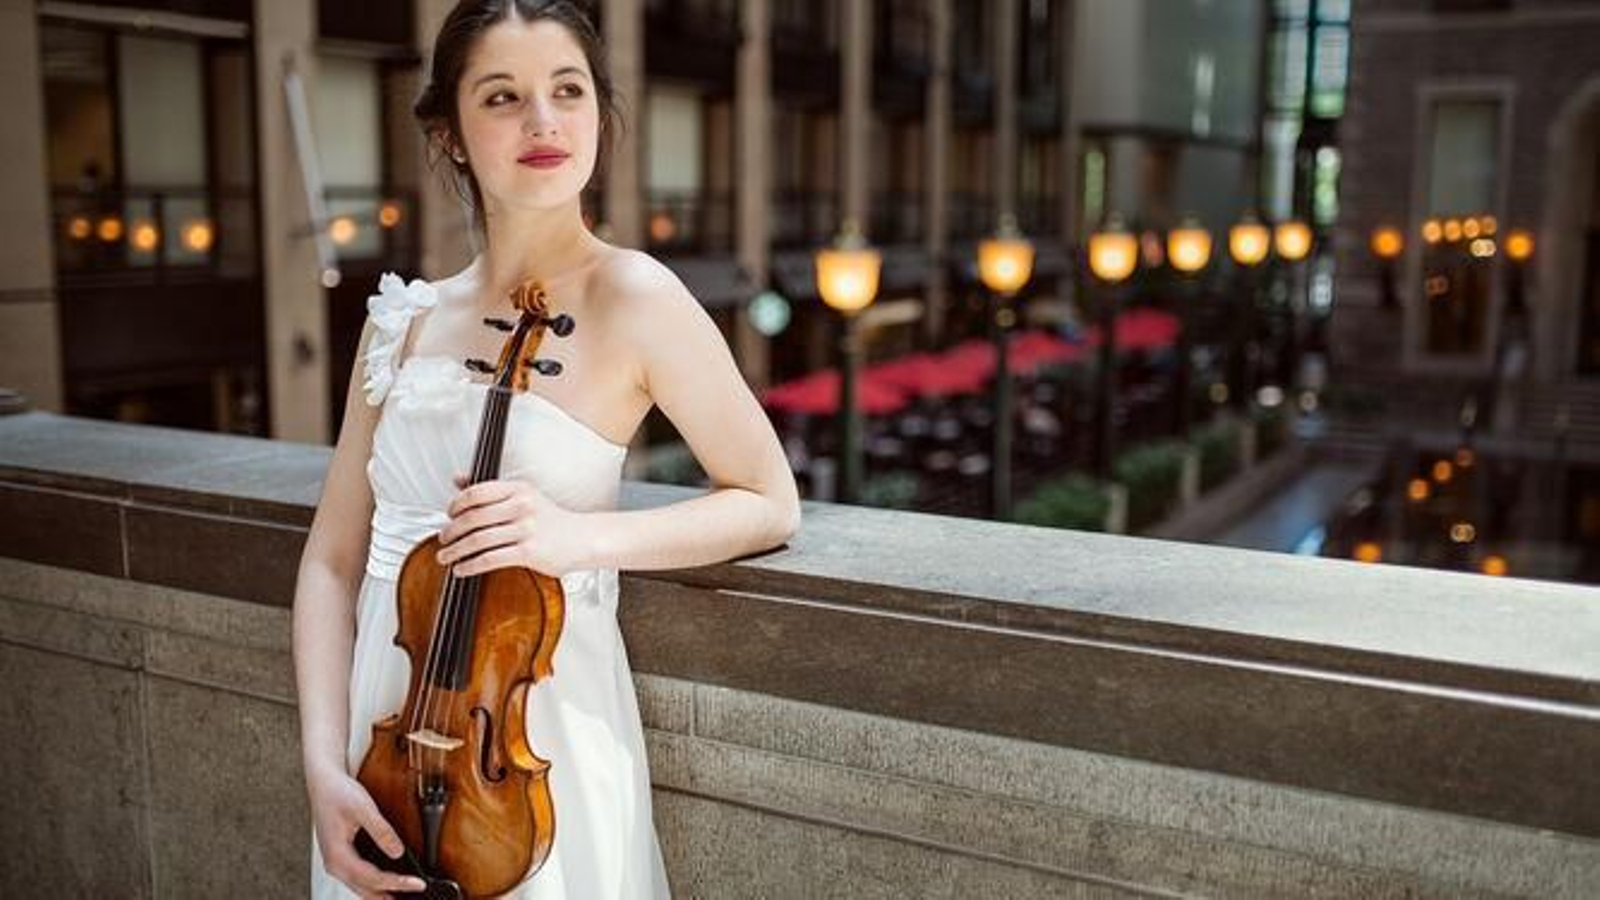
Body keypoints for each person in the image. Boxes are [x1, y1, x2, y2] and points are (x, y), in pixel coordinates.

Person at [291, 2, 801, 897]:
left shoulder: (637, 297)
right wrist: (324, 770)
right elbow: (333, 562)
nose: (543, 121)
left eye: (568, 91)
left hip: (538, 745)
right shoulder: (401, 322)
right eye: (503, 97)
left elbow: (766, 498)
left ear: (600, 115)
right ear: (449, 132)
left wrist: (577, 540)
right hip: (385, 743)